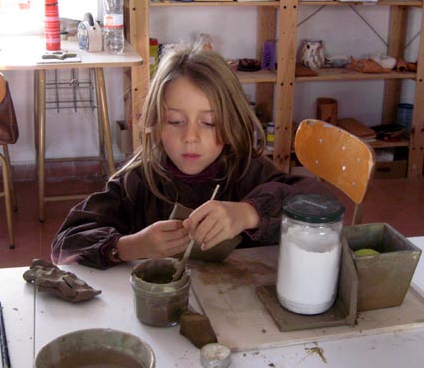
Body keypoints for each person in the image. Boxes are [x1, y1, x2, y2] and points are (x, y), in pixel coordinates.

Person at [51, 44, 332, 269]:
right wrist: (129, 247)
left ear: (231, 122)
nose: (190, 137)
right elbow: (65, 244)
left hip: (239, 309)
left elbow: (322, 205)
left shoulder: (249, 171)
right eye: (176, 121)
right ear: (156, 123)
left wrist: (249, 213)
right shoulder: (138, 182)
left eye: (209, 123)